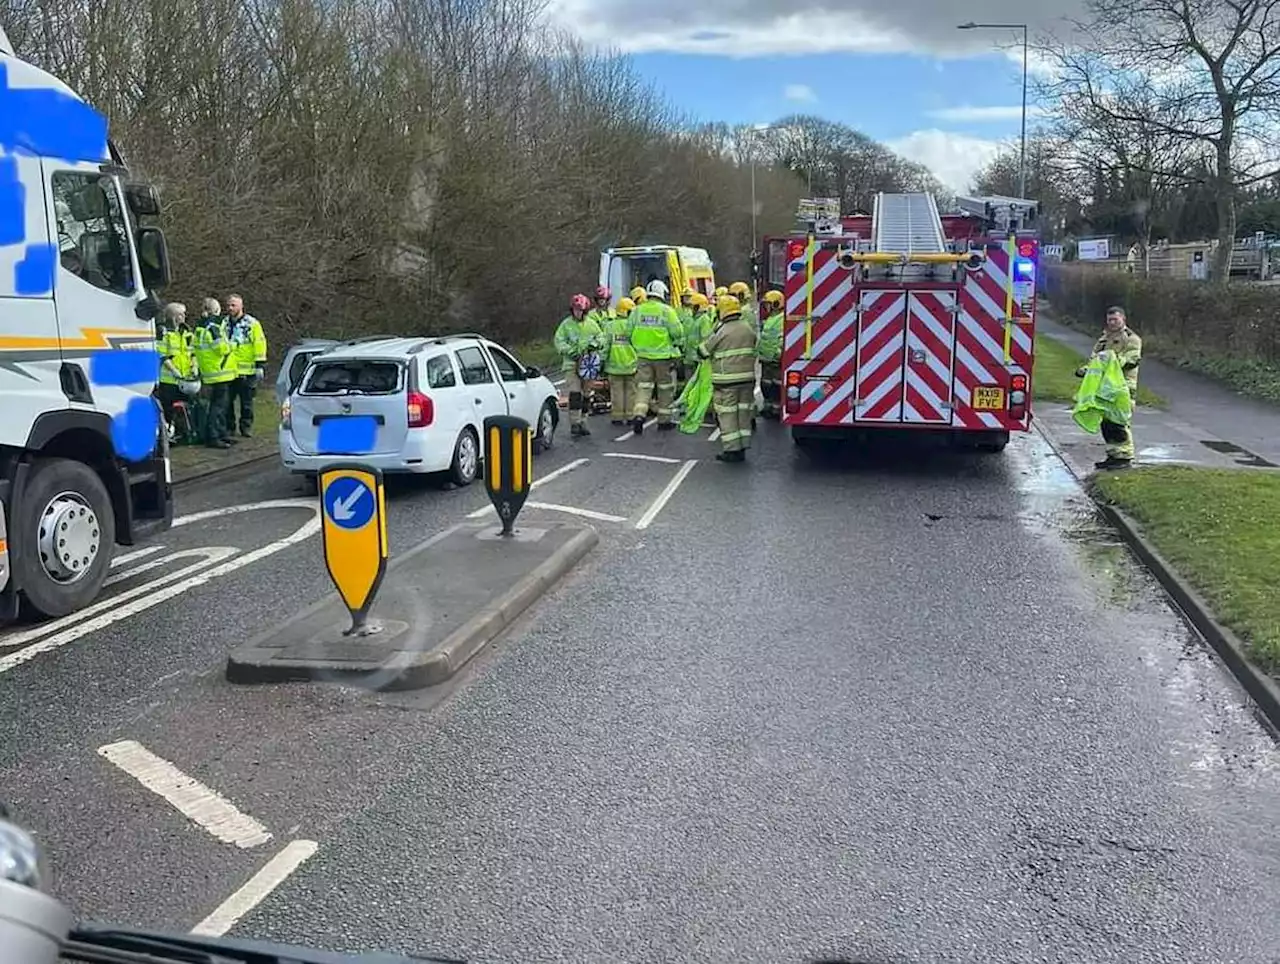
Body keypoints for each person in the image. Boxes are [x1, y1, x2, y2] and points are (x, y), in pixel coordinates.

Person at [1076, 305, 1142, 469]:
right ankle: (1113, 456)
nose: (1112, 323)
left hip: (1123, 387)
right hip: (1106, 388)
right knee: (1107, 423)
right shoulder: (1103, 340)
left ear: (1123, 320)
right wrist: (1085, 370)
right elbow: (1095, 361)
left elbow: (1132, 359)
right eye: (1110, 320)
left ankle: (1125, 457)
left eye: (1115, 319)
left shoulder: (1131, 339)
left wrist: (1113, 361)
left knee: (1119, 423)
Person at [699, 294, 758, 463]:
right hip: (747, 380)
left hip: (726, 381)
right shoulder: (747, 327)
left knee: (728, 416)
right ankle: (743, 446)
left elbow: (704, 350)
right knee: (743, 414)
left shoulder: (722, 329)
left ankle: (732, 451)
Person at [627, 279, 683, 434]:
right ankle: (664, 421)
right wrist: (676, 345)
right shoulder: (666, 311)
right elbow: (678, 333)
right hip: (663, 358)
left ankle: (638, 415)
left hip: (643, 357)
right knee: (665, 389)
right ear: (661, 293)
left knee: (644, 388)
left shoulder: (637, 310)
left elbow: (628, 332)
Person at [554, 293, 606, 437]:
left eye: (581, 311)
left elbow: (601, 338)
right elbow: (559, 341)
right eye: (576, 310)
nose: (578, 313)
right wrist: (571, 352)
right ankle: (574, 423)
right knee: (575, 394)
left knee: (587, 395)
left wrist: (594, 345)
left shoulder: (591, 324)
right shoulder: (566, 325)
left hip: (588, 366)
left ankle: (584, 421)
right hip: (572, 365)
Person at [193, 297, 236, 449]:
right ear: (216, 310)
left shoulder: (199, 327)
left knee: (217, 405)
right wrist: (231, 346)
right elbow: (221, 348)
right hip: (219, 371)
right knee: (218, 407)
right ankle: (213, 436)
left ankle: (221, 433)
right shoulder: (213, 327)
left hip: (209, 371)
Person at [224, 294, 267, 438]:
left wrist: (259, 364)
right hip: (229, 370)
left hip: (247, 370)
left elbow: (259, 343)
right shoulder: (224, 323)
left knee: (246, 403)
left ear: (241, 306)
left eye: (233, 305)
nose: (230, 308)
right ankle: (230, 427)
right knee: (227, 402)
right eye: (228, 305)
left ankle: (246, 427)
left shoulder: (251, 323)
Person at [155, 302, 198, 439]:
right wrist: (173, 370)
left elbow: (192, 352)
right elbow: (161, 354)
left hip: (185, 378)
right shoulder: (163, 332)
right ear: (173, 316)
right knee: (168, 408)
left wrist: (194, 366)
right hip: (168, 378)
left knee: (186, 406)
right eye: (181, 314)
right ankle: (168, 434)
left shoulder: (186, 332)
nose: (184, 316)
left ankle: (184, 432)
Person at [603, 296, 638, 426]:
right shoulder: (633, 326)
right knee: (631, 392)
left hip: (614, 366)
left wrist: (601, 362)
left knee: (616, 392)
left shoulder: (610, 326)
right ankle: (630, 416)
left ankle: (617, 417)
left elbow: (605, 346)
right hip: (631, 366)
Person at [756, 289, 784, 417]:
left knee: (776, 385)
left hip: (775, 360)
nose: (766, 307)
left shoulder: (781, 319)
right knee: (766, 384)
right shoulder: (770, 318)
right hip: (766, 359)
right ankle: (768, 406)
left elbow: (782, 339)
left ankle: (776, 409)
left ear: (776, 304)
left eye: (768, 304)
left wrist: (778, 355)